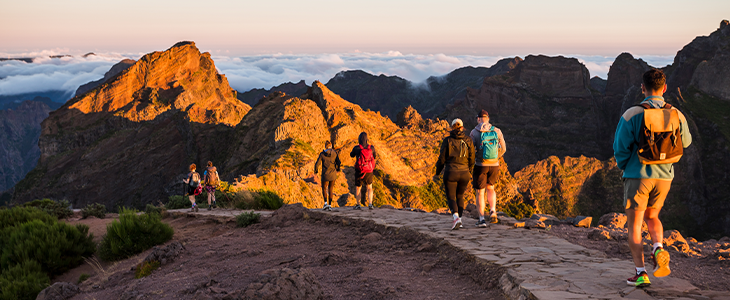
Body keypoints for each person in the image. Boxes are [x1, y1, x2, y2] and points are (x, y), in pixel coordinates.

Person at [614, 69, 691, 287]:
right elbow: (685, 143)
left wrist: (625, 167)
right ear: (664, 88)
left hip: (638, 176)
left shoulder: (632, 114)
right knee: (653, 216)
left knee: (635, 226)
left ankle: (641, 273)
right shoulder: (677, 114)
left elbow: (620, 148)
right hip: (665, 177)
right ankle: (658, 247)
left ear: (642, 88)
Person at [435, 119, 475, 230]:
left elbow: (441, 159)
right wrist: (469, 170)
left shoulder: (447, 141)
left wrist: (437, 172)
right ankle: (460, 221)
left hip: (451, 172)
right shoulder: (468, 140)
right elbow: (472, 158)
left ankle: (456, 217)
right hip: (464, 172)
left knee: (451, 197)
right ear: (462, 127)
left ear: (452, 127)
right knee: (460, 196)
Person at [470, 109, 506, 227]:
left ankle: (481, 219)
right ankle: (493, 212)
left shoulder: (475, 132)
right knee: (491, 188)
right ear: (488, 118)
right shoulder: (497, 130)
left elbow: (470, 150)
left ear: (479, 119)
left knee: (480, 192)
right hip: (494, 165)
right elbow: (504, 149)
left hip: (481, 165)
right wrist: (496, 158)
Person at [350, 132, 376, 210]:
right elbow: (374, 156)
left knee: (358, 188)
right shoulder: (371, 148)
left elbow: (351, 155)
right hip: (369, 171)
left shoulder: (357, 148)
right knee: (369, 187)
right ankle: (370, 204)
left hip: (359, 171)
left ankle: (358, 205)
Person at [314, 141, 342, 211]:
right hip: (332, 174)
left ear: (325, 146)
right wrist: (338, 168)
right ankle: (330, 205)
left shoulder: (322, 154)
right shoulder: (334, 153)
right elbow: (339, 162)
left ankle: (325, 203)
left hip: (325, 174)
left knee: (324, 188)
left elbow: (317, 164)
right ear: (331, 145)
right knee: (330, 189)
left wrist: (316, 171)